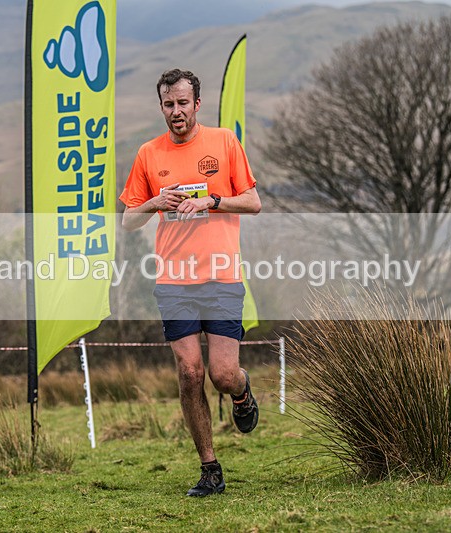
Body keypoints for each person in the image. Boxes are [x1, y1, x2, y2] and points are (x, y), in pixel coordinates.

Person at [119, 68, 262, 497]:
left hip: (220, 274)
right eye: (168, 104)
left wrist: (213, 200)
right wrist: (154, 202)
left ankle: (241, 391)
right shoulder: (148, 154)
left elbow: (254, 203)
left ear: (197, 104)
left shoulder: (223, 142)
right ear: (161, 106)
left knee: (220, 374)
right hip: (173, 279)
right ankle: (210, 468)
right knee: (189, 372)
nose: (176, 111)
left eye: (183, 103)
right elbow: (127, 222)